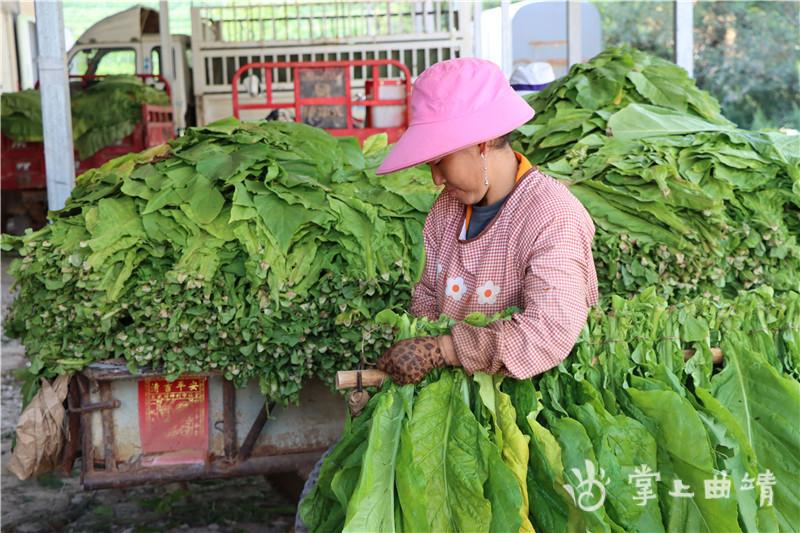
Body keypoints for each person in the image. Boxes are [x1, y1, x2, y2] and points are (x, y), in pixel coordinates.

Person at [375, 57, 599, 385]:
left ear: (481, 144)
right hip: (450, 396)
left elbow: (549, 330)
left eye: (439, 161)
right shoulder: (446, 210)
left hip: (528, 402)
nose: (436, 178)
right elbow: (424, 292)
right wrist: (417, 343)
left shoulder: (552, 215)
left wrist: (443, 351)